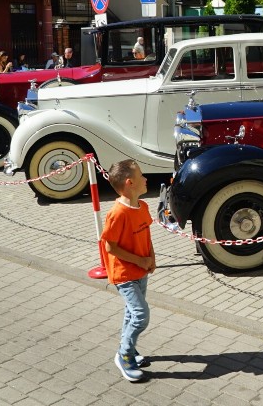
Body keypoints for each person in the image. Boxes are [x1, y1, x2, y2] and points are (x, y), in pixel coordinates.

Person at [100, 159, 156, 382]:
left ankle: (128, 350)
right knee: (141, 315)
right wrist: (139, 261)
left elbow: (146, 235)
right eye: (142, 175)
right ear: (130, 183)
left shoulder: (143, 207)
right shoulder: (117, 214)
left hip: (141, 271)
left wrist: (151, 257)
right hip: (124, 274)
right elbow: (110, 246)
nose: (146, 179)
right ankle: (124, 354)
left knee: (131, 313)